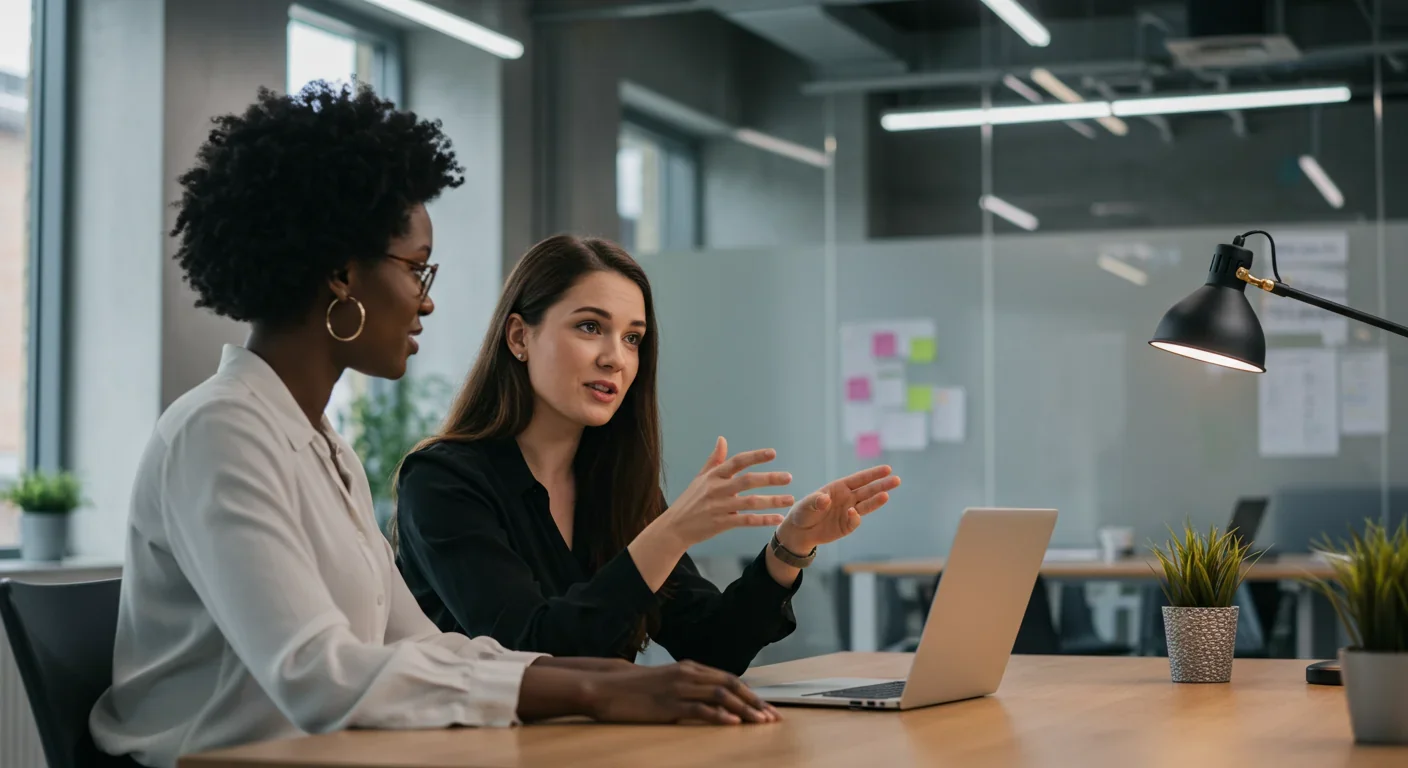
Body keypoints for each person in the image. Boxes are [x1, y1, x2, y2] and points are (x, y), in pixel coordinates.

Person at [90, 83, 778, 768]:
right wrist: (598, 692)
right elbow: (315, 673)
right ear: (340, 273)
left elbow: (418, 645)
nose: (426, 301)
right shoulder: (218, 431)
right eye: (416, 270)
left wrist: (615, 678)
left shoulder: (324, 450)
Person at [393, 235, 901, 674]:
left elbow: (711, 647)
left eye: (633, 338)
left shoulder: (613, 482)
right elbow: (533, 651)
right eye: (590, 327)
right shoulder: (441, 481)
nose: (615, 357)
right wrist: (675, 529)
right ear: (520, 336)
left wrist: (788, 549)